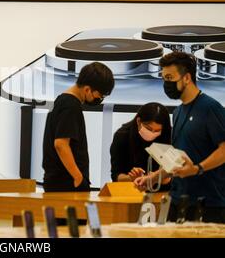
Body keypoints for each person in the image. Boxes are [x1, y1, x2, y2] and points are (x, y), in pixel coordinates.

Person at [135, 52, 225, 223]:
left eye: (170, 77)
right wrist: (152, 178)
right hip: (178, 201)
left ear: (187, 78)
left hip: (208, 204)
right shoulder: (177, 113)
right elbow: (175, 160)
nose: (166, 84)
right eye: (163, 78)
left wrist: (198, 168)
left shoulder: (211, 108)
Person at [42, 62, 115, 192]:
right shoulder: (70, 106)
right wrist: (78, 177)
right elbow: (60, 144)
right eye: (99, 96)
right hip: (66, 185)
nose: (99, 100)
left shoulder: (63, 101)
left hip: (61, 182)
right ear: (87, 89)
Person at [110, 102, 172, 185]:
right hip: (132, 192)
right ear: (138, 121)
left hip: (163, 192)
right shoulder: (122, 136)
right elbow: (116, 176)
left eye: (157, 131)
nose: (152, 133)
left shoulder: (170, 136)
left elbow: (178, 172)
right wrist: (130, 178)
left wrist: (163, 178)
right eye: (148, 128)